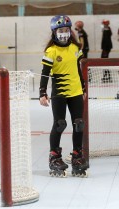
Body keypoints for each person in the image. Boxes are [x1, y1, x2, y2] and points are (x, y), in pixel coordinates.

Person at [39, 15, 88, 177]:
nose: (64, 33)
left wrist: (83, 87)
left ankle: (77, 155)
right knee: (60, 124)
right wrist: (42, 92)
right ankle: (54, 156)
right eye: (61, 30)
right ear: (54, 32)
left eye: (67, 30)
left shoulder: (75, 48)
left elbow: (78, 69)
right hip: (59, 92)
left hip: (76, 92)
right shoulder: (51, 51)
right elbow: (45, 74)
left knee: (79, 123)